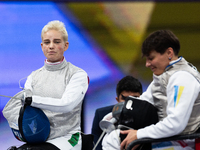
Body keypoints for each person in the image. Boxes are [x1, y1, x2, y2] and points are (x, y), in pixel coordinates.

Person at [102, 30, 200, 150]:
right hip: (167, 137)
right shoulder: (165, 75)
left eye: (151, 58)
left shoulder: (182, 78)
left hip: (182, 142)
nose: (147, 64)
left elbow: (175, 124)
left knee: (116, 141)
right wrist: (114, 114)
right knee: (115, 137)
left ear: (169, 52)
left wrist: (138, 135)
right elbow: (143, 102)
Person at [3, 20, 89, 150]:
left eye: (57, 42)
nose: (51, 46)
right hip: (39, 137)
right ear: (42, 46)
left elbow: (67, 104)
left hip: (67, 138)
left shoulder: (77, 75)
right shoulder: (33, 77)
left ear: (66, 45)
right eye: (47, 42)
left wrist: (33, 100)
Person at [92, 75, 143, 150]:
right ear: (117, 100)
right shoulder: (101, 115)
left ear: (142, 98)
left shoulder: (149, 116)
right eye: (125, 99)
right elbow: (97, 146)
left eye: (135, 98)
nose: (130, 103)